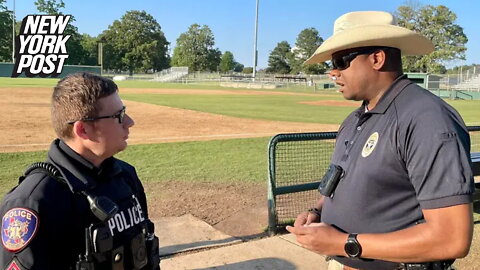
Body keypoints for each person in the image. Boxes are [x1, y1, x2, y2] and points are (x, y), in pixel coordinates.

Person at [286, 11, 474, 270]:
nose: (333, 72)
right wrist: (316, 212)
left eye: (341, 61)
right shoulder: (356, 118)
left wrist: (344, 243)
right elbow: (343, 183)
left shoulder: (426, 119)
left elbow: (451, 238)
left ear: (377, 58)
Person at [0, 72, 160, 270]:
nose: (129, 122)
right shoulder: (34, 202)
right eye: (118, 116)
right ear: (83, 130)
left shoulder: (126, 176)